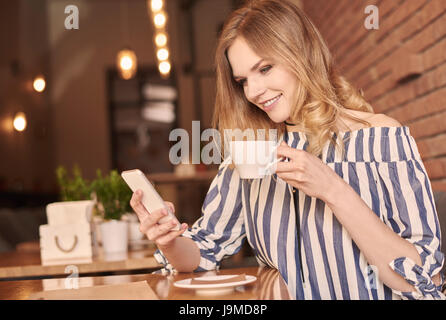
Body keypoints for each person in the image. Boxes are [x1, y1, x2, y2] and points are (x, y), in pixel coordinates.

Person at [130, 0, 445, 299]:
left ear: (303, 55)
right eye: (242, 80)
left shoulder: (380, 137)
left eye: (265, 68)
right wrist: (170, 241)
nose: (253, 91)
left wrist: (332, 188)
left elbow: (423, 281)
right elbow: (202, 253)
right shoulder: (250, 152)